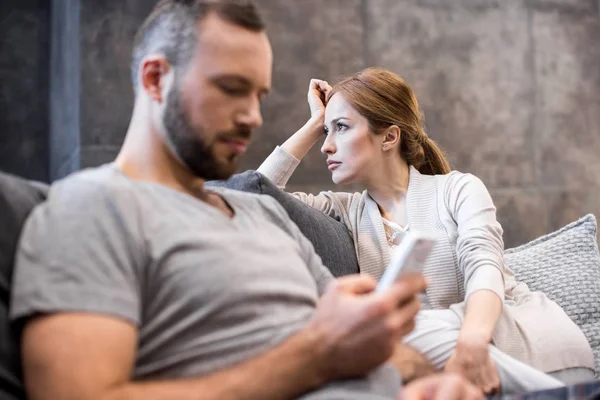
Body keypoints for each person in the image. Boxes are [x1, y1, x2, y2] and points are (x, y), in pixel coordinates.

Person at [8, 1, 483, 400]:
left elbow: (355, 342)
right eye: (232, 89)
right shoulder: (90, 208)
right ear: (155, 80)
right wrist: (315, 357)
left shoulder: (262, 214)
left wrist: (429, 382)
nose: (254, 117)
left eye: (259, 95)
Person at [257, 69, 596, 394]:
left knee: (380, 335)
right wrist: (316, 122)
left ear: (389, 136)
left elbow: (484, 267)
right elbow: (253, 196)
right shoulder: (346, 210)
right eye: (326, 132)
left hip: (526, 345)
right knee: (380, 339)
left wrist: (471, 344)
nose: (326, 146)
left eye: (341, 128)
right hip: (445, 362)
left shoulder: (458, 189)